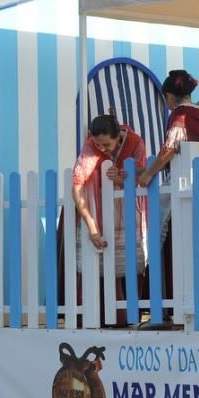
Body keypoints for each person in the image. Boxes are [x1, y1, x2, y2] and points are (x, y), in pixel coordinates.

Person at [137, 70, 199, 306]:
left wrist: (149, 173)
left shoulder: (180, 115)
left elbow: (170, 148)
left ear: (169, 96)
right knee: (198, 240)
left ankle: (176, 299)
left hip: (186, 181)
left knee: (173, 238)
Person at [71, 111, 147, 327]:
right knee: (95, 266)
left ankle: (126, 317)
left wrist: (123, 178)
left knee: (126, 266)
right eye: (98, 144)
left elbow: (142, 179)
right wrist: (92, 226)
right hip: (96, 209)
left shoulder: (135, 143)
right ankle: (95, 316)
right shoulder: (90, 147)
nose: (101, 149)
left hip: (125, 210)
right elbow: (77, 187)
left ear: (118, 137)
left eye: (107, 145)